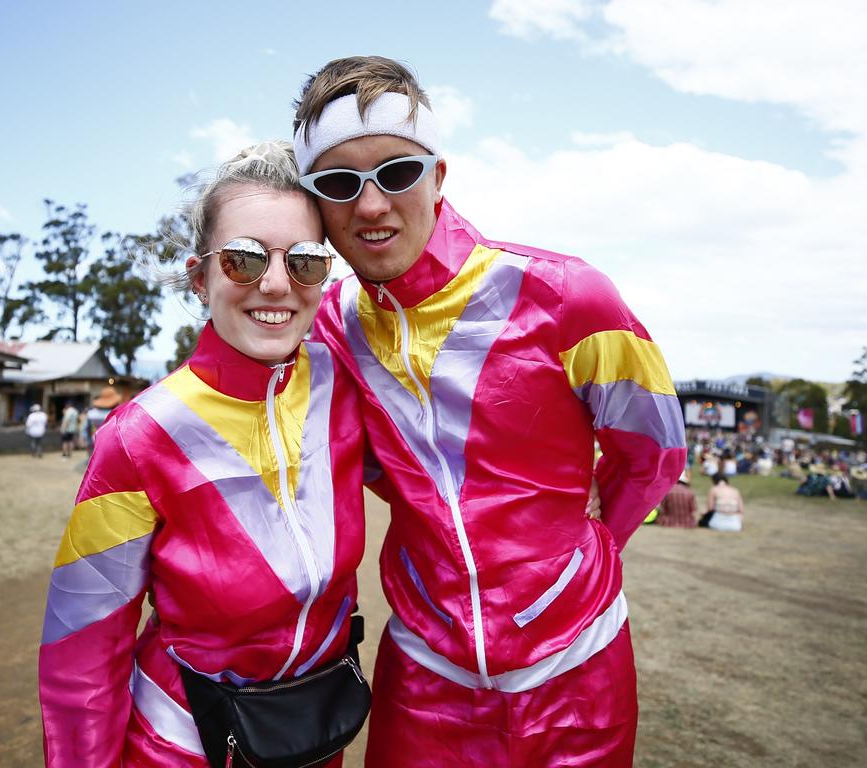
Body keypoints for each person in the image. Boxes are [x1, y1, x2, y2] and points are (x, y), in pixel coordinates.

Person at [293, 56, 686, 766]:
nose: (373, 205)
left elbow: (654, 453)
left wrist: (579, 553)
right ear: (317, 207)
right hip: (424, 672)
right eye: (340, 184)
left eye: (398, 172)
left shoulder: (570, 294)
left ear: (439, 175)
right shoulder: (328, 327)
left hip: (579, 664)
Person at [38, 141, 366, 766]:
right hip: (183, 744)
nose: (275, 282)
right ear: (200, 276)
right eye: (243, 260)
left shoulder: (345, 383)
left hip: (317, 732)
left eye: (303, 261)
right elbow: (81, 646)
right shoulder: (137, 435)